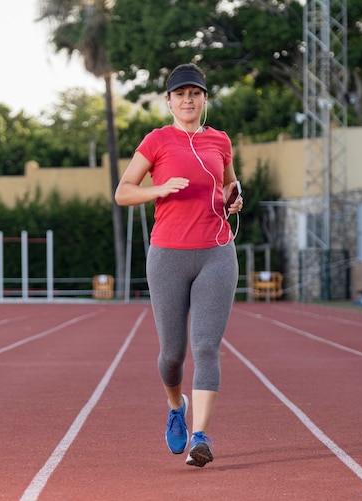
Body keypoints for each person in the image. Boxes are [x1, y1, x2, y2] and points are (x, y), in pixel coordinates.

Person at [114, 63, 243, 467]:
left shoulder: (220, 140)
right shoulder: (156, 141)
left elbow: (227, 185)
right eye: (180, 94)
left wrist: (233, 198)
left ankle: (201, 436)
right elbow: (123, 193)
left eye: (196, 93)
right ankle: (176, 408)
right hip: (168, 254)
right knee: (172, 353)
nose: (188, 100)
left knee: (206, 346)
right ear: (169, 101)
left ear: (204, 99)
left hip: (216, 251)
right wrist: (159, 188)